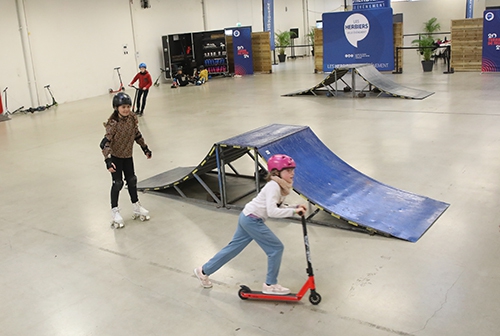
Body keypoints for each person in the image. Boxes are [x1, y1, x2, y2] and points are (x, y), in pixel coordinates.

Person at [194, 154, 307, 295]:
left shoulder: (279, 186)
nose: (292, 173)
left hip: (247, 217)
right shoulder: (274, 187)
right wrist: (294, 212)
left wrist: (295, 207)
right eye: (288, 170)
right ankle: (270, 285)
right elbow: (272, 212)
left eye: (292, 170)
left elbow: (278, 207)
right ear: (277, 172)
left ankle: (203, 270)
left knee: (233, 249)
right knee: (276, 248)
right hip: (252, 220)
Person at [100, 92, 152, 229]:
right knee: (117, 183)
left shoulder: (132, 118)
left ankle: (136, 206)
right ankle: (114, 211)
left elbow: (137, 134)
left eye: (128, 106)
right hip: (116, 157)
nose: (126, 109)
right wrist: (108, 160)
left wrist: (145, 148)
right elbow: (104, 143)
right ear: (116, 108)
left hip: (128, 156)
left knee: (132, 180)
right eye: (123, 107)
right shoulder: (113, 124)